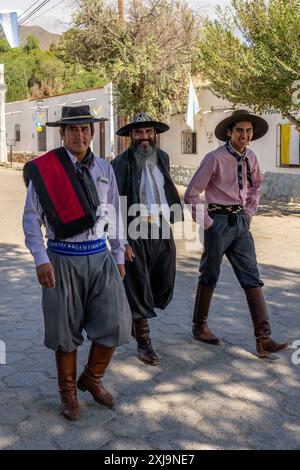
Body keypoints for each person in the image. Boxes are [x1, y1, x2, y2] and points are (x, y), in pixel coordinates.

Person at [22, 105, 131, 421]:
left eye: (85, 128)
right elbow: (31, 219)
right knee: (64, 331)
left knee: (117, 322)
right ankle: (68, 394)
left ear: (93, 133)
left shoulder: (104, 169)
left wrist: (118, 252)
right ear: (63, 134)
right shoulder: (46, 170)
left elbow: (113, 213)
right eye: (73, 129)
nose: (79, 134)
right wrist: (40, 259)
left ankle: (92, 378)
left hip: (99, 256)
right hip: (61, 258)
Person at [184, 109, 289, 358]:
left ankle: (263, 339)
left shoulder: (251, 157)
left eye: (248, 131)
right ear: (229, 133)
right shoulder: (214, 158)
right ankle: (200, 327)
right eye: (240, 130)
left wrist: (250, 213)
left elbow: (256, 187)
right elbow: (191, 193)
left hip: (241, 223)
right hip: (217, 222)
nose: (245, 135)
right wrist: (208, 223)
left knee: (252, 276)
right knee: (210, 273)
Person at [111, 113, 183, 366]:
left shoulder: (162, 157)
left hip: (161, 227)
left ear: (155, 134)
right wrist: (122, 242)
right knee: (138, 283)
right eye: (139, 132)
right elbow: (115, 203)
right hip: (134, 229)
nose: (144, 137)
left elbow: (165, 189)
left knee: (164, 278)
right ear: (131, 136)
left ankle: (132, 316)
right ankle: (144, 342)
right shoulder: (120, 164)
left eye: (149, 132)